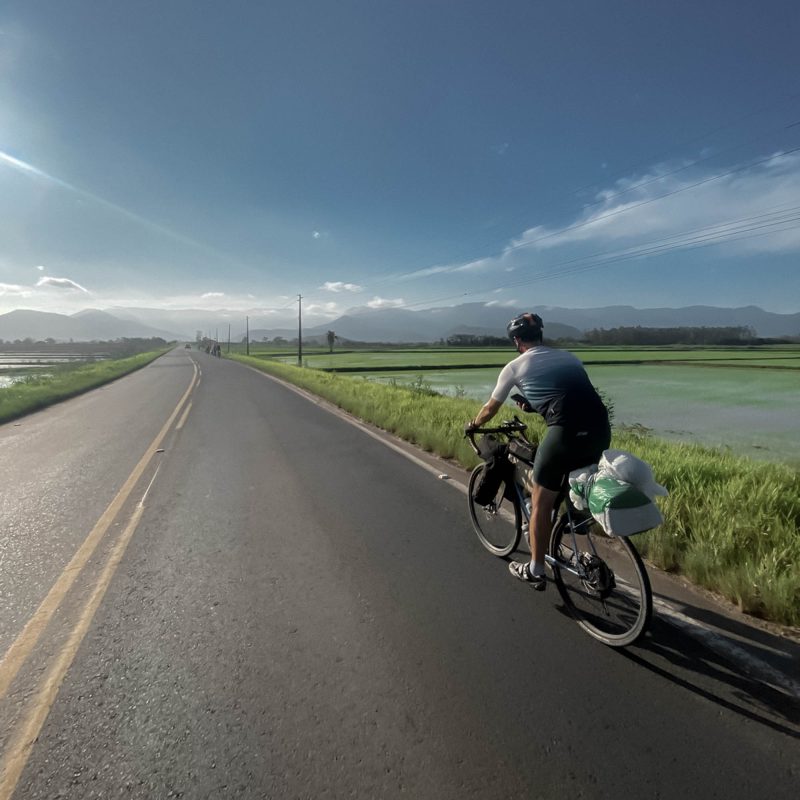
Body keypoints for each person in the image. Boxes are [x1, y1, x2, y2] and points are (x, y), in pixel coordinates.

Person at [465, 313, 611, 590]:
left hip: (565, 434)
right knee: (573, 484)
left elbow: (490, 408)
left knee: (540, 502)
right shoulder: (570, 358)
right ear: (541, 335)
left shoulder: (514, 367)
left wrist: (474, 424)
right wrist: (533, 406)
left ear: (516, 341)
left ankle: (535, 569)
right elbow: (572, 397)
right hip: (601, 430)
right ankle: (573, 524)